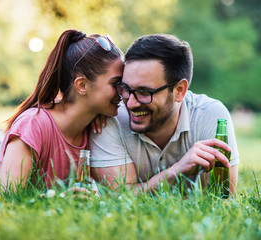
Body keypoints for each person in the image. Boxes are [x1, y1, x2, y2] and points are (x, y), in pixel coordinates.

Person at [0, 29, 124, 190]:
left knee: (0, 151)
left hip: (14, 158)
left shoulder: (98, 123)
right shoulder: (33, 124)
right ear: (82, 85)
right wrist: (60, 198)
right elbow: (8, 193)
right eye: (116, 83)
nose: (123, 90)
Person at [89, 34, 239, 195]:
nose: (131, 103)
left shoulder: (210, 115)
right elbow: (119, 198)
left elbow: (221, 198)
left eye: (144, 92)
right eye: (125, 88)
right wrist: (177, 170)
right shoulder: (110, 118)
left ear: (179, 91)